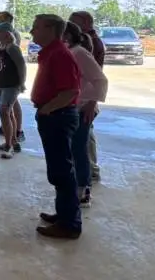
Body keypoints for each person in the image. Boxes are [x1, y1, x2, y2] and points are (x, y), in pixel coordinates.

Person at [30, 14, 82, 239]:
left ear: (51, 29)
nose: (32, 32)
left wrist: (47, 108)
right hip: (53, 115)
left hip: (58, 116)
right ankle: (63, 214)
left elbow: (70, 91)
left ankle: (69, 223)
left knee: (62, 171)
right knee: (58, 170)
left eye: (36, 28)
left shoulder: (60, 54)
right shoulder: (52, 52)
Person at [64, 22, 108, 208]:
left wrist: (92, 102)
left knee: (79, 149)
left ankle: (84, 189)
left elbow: (100, 79)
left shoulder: (79, 53)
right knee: (74, 149)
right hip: (73, 107)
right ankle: (79, 185)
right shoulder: (70, 52)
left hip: (82, 108)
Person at [69, 11, 104, 183]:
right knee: (83, 138)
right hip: (81, 99)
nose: (71, 25)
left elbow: (98, 77)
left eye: (74, 22)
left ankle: (89, 172)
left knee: (82, 142)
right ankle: (88, 170)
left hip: (86, 100)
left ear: (87, 22)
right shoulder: (81, 43)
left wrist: (92, 102)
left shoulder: (90, 44)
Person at [0, 22, 26, 159]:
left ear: (6, 33)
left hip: (11, 85)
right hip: (2, 85)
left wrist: (21, 83)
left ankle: (9, 146)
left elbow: (21, 66)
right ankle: (11, 141)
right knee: (8, 113)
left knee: (4, 112)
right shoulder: (3, 47)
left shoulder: (13, 48)